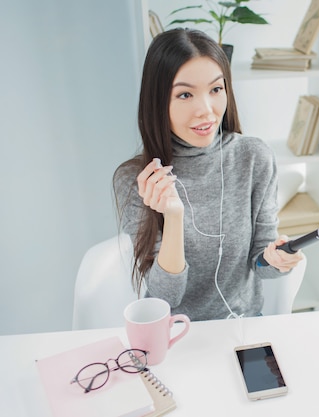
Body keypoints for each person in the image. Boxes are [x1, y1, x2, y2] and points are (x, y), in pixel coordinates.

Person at [113, 28, 303, 321]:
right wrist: (173, 216)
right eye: (185, 94)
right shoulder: (136, 179)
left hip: (243, 325)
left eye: (216, 89)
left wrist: (277, 260)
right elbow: (166, 297)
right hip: (174, 334)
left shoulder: (254, 157)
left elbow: (259, 266)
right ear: (158, 101)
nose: (206, 110)